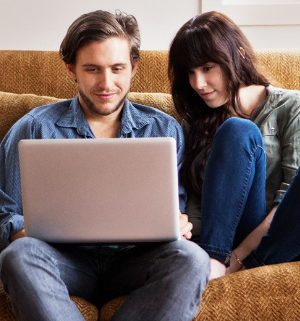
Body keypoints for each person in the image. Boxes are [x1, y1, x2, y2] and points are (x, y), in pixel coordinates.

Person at [0, 10, 210, 321]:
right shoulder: (33, 128)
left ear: (134, 67)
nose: (106, 82)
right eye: (92, 69)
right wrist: (18, 231)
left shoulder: (164, 129)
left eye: (117, 68)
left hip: (135, 260)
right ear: (71, 69)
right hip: (63, 259)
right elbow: (5, 211)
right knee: (18, 256)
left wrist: (175, 223)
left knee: (192, 258)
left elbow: (173, 208)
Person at [168, 11, 300, 279]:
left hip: (272, 242)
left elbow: (287, 202)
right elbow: (192, 208)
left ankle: (224, 264)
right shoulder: (194, 122)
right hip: (215, 243)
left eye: (207, 68)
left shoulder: (291, 107)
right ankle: (213, 260)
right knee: (237, 130)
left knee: (239, 129)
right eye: (190, 73)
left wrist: (238, 257)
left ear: (238, 54)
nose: (198, 84)